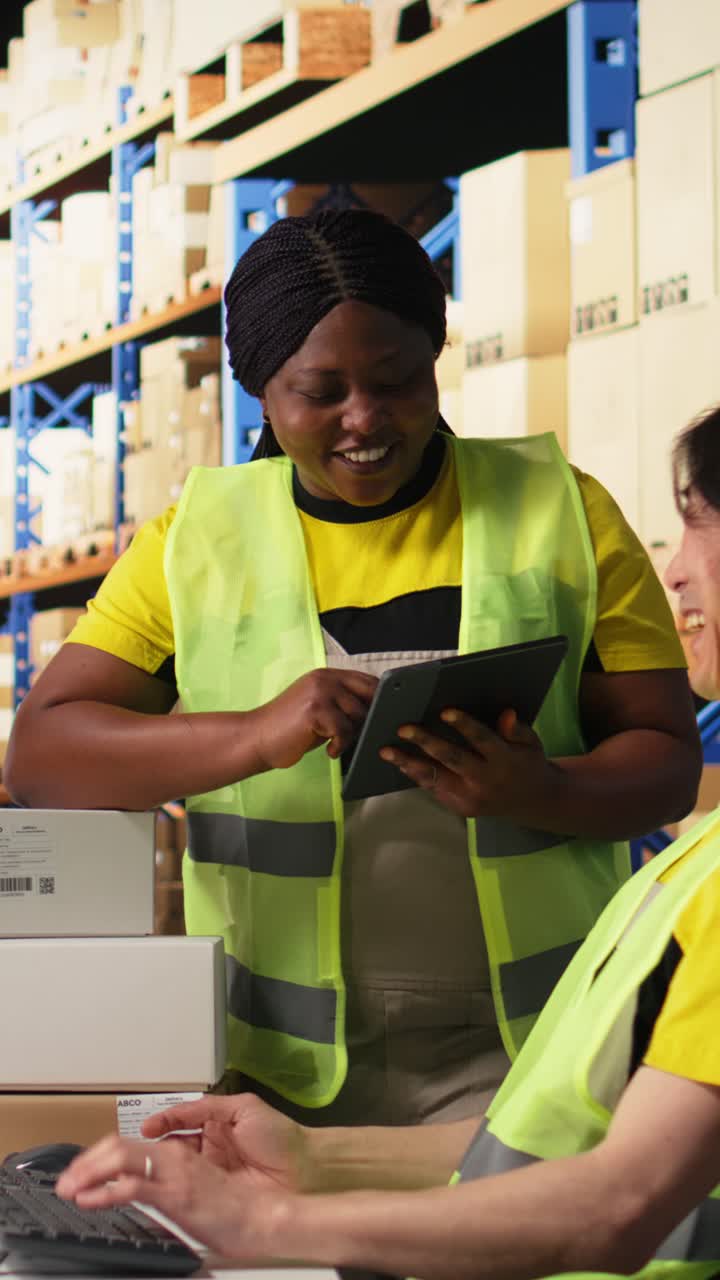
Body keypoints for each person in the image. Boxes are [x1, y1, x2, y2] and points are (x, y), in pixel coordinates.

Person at [4, 209, 699, 1128]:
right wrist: (254, 735)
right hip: (272, 1074)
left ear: (436, 352)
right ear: (260, 389)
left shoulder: (560, 509)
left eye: (399, 379)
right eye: (319, 392)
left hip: (535, 1060)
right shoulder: (196, 542)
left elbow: (666, 762)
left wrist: (540, 790)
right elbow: (43, 758)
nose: (365, 419)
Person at [58, 406, 720, 1280]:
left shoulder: (560, 510)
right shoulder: (688, 869)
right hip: (305, 1073)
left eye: (700, 529)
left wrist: (262, 1226)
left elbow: (616, 1206)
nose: (673, 571)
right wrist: (315, 1164)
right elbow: (574, 1143)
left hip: (509, 1070)